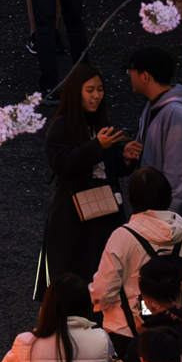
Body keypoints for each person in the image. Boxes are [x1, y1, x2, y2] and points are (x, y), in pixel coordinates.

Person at [89, 166, 182, 334]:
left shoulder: (122, 236)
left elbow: (103, 291)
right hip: (179, 330)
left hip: (125, 330)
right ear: (168, 196)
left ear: (131, 199)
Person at [44, 63, 130, 285]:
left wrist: (126, 157)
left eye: (100, 89)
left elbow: (112, 168)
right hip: (74, 216)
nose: (96, 96)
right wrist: (96, 147)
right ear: (76, 92)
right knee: (76, 274)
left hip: (105, 212)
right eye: (89, 90)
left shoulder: (101, 122)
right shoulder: (61, 126)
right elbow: (61, 164)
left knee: (104, 273)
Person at [124, 46, 182, 218]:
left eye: (131, 70)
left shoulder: (177, 115)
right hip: (154, 209)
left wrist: (167, 218)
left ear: (144, 75)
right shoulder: (152, 104)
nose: (130, 75)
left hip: (173, 215)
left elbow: (177, 174)